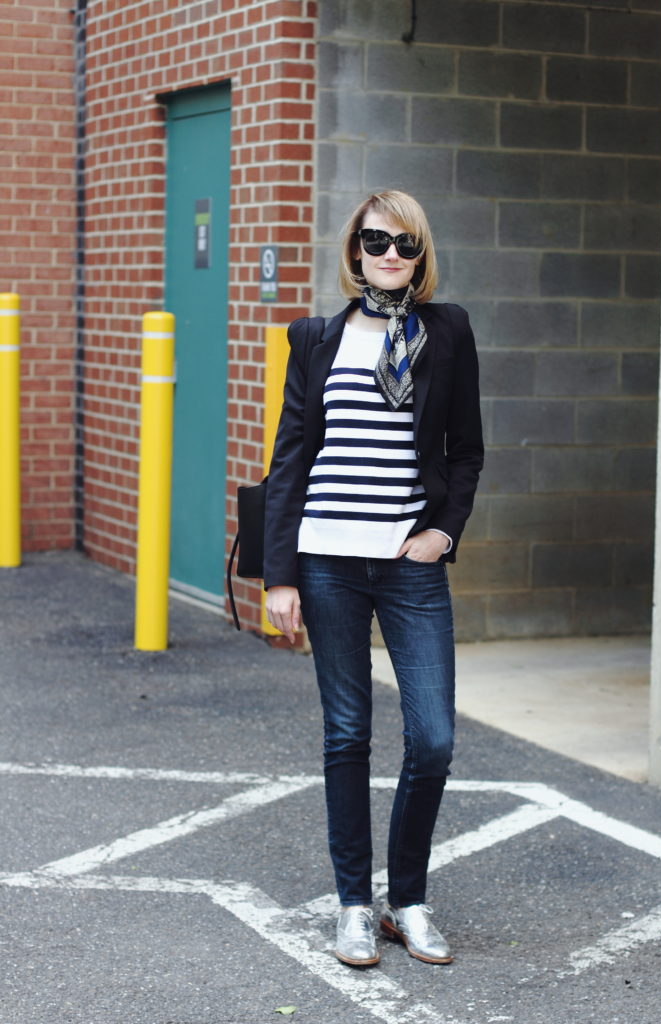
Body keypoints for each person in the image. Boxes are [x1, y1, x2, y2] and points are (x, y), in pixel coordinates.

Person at [264, 190, 483, 967]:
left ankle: (409, 899)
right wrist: (278, 573)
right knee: (347, 734)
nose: (390, 253)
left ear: (421, 257)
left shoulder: (445, 331)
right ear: (353, 248)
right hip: (326, 560)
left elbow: (465, 450)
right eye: (376, 239)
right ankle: (355, 904)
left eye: (406, 244)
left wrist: (441, 532)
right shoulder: (317, 338)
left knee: (432, 739)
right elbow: (292, 457)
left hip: (407, 567)